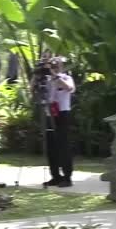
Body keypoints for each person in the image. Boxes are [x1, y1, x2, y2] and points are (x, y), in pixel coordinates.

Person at [41, 57, 76, 188]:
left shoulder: (66, 78)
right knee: (51, 147)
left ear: (61, 66)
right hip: (50, 113)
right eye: (52, 65)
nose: (53, 67)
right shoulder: (47, 80)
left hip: (62, 113)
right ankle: (55, 176)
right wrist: (36, 74)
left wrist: (55, 76)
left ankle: (67, 177)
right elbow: (33, 89)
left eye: (56, 65)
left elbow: (69, 88)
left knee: (63, 145)